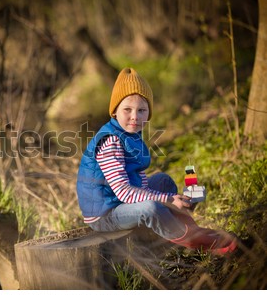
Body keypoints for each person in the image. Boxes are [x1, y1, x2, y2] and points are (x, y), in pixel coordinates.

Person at [76, 67, 237, 255]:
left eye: (142, 110)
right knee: (150, 207)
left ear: (148, 114)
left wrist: (170, 199)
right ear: (115, 111)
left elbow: (136, 176)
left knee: (163, 181)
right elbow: (123, 192)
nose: (135, 116)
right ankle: (201, 241)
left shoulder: (131, 133)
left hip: (119, 202)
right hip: (105, 214)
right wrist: (167, 200)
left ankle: (187, 231)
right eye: (127, 109)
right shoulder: (110, 140)